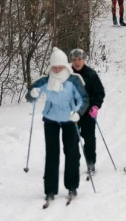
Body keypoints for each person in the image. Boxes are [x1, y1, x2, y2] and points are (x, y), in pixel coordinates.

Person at [26, 47, 89, 202]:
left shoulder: (73, 79)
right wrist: (32, 95)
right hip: (51, 119)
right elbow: (31, 95)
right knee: (52, 154)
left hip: (70, 119)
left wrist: (78, 113)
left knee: (72, 153)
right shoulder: (46, 79)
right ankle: (50, 189)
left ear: (65, 65)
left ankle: (72, 186)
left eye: (60, 66)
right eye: (54, 67)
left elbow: (84, 99)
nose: (57, 69)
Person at [68, 48, 106, 173]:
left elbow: (99, 93)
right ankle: (74, 161)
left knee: (89, 138)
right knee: (72, 139)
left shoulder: (91, 74)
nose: (77, 62)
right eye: (74, 60)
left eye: (79, 59)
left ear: (84, 60)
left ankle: (90, 161)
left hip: (88, 112)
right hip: (72, 113)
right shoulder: (67, 75)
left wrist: (95, 106)